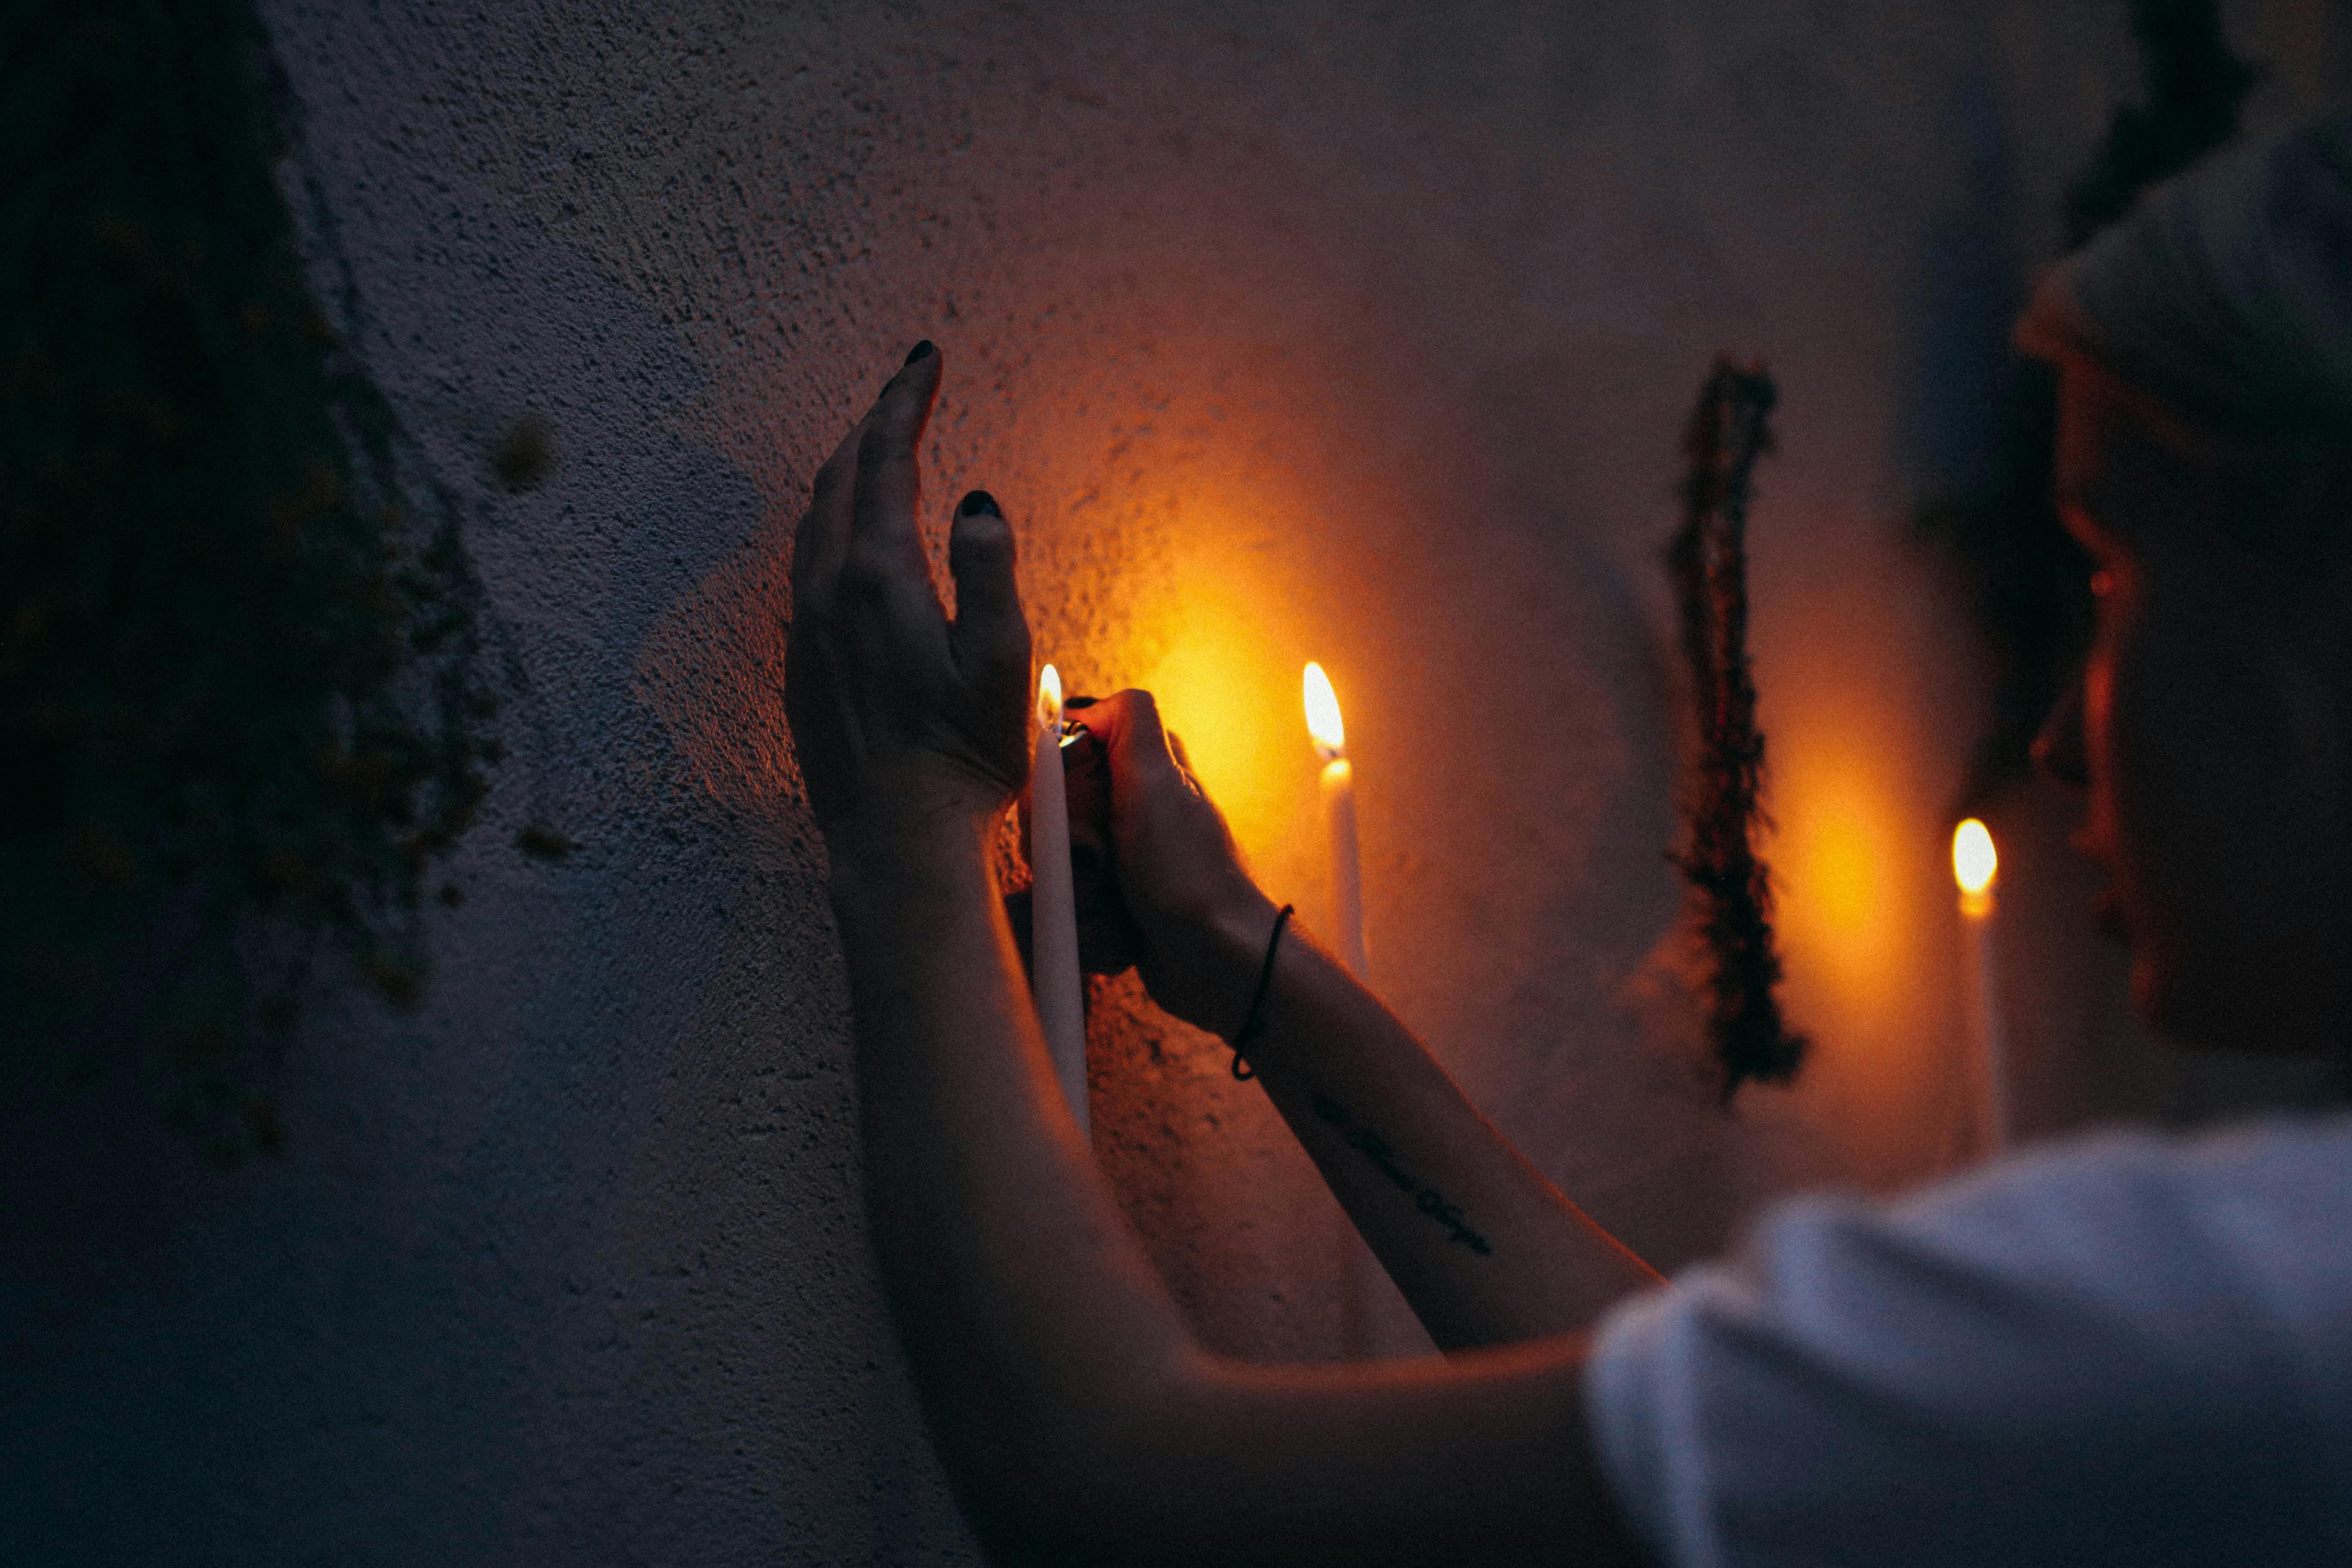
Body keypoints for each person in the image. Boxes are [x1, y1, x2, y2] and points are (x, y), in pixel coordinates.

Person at [782, 112, 2352, 1566]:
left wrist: (914, 833)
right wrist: (1248, 965)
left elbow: (1116, 1484)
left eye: (2111, 576)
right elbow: (1697, 1429)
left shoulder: (2257, 1319)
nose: (2062, 733)